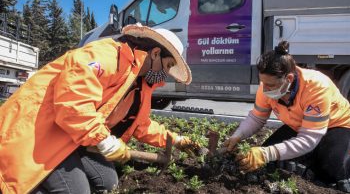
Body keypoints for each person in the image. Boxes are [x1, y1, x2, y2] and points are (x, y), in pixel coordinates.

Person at [0, 24, 200, 194]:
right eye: (167, 65)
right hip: (41, 132)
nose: (166, 75)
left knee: (108, 182)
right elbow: (74, 100)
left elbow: (141, 126)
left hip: (73, 135)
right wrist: (103, 140)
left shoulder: (139, 83)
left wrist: (177, 140)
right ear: (155, 53)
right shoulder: (107, 55)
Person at [223, 41, 350, 182]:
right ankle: (320, 151)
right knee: (271, 161)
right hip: (300, 125)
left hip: (337, 124)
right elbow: (256, 118)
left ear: (289, 79)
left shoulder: (316, 87)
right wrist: (238, 135)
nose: (264, 88)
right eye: (262, 82)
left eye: (270, 85)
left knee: (331, 173)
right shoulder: (266, 87)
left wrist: (267, 153)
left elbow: (309, 138)